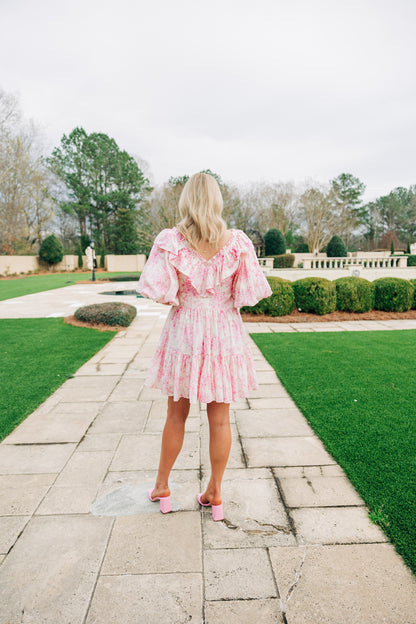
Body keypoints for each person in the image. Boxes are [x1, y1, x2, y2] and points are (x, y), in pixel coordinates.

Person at [136, 172, 272, 520]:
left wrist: (190, 297)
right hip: (224, 334)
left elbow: (163, 294)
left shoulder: (171, 241)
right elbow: (244, 296)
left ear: (186, 201)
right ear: (216, 201)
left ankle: (163, 486)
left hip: (185, 332)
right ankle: (216, 493)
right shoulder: (238, 242)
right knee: (221, 420)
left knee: (176, 415)